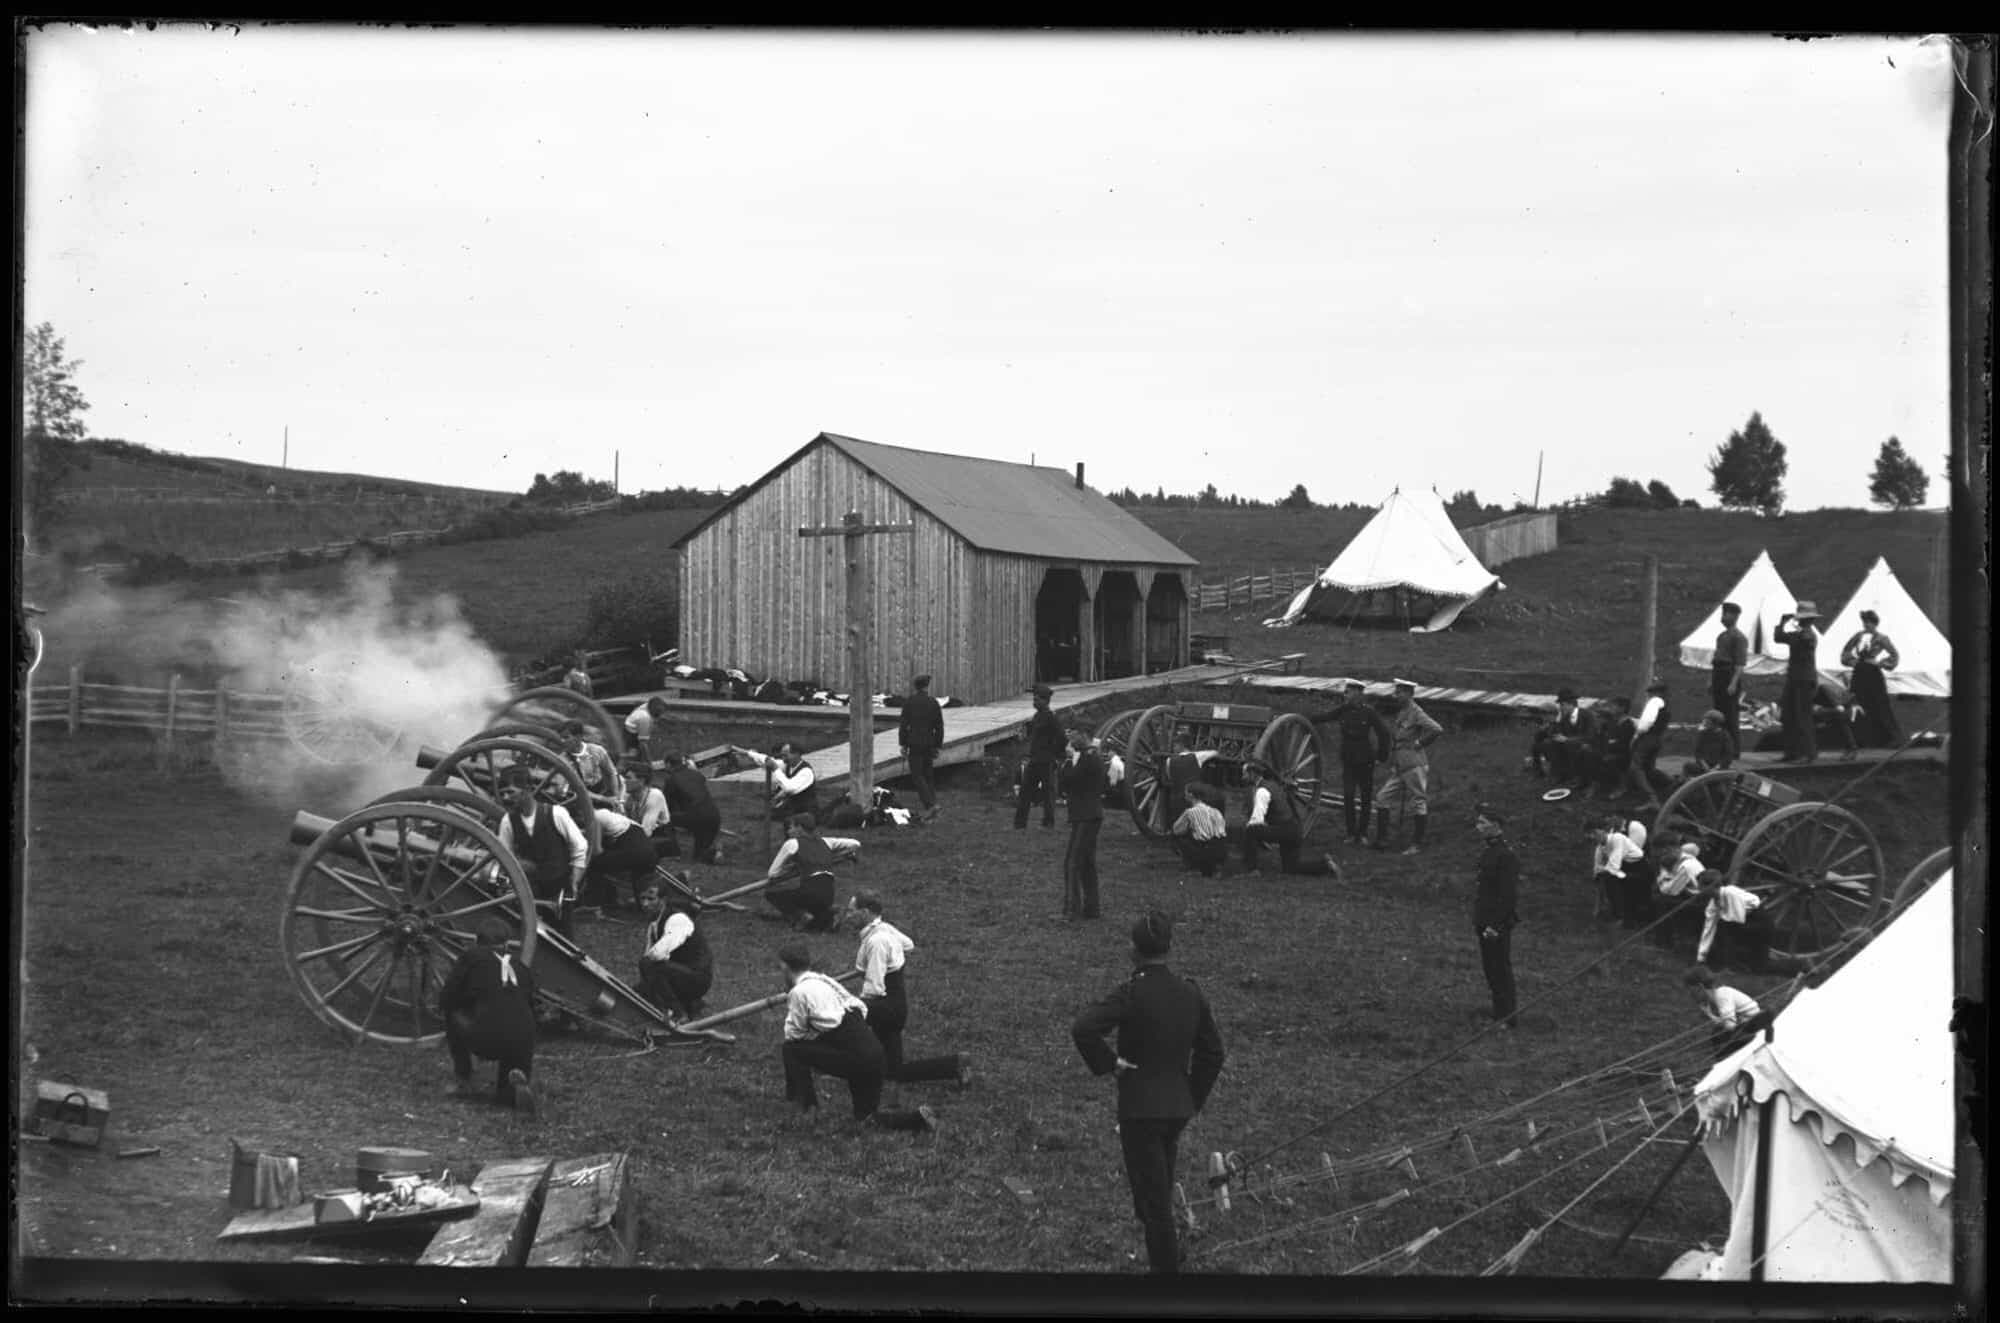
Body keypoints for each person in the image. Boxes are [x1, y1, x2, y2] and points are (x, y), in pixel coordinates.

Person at [1070, 911, 1226, 1276]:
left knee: (1154, 1203)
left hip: (1140, 1110)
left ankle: (1166, 1272)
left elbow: (1084, 1028)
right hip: (1177, 1106)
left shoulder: (1132, 992)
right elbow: (1213, 1052)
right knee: (1156, 1184)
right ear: (1169, 949)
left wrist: (1110, 1063)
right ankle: (1169, 1248)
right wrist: (1192, 1096)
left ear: (1133, 952)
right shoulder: (1190, 992)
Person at [778, 945, 936, 1133]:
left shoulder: (799, 992)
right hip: (875, 1056)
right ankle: (916, 1119)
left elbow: (793, 1036)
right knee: (865, 1118)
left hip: (856, 1058)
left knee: (791, 1050)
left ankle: (806, 1108)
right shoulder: (825, 981)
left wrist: (794, 1001)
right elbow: (860, 1008)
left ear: (786, 968)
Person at [848, 890, 968, 1085]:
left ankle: (830, 1060)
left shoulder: (877, 941)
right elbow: (908, 944)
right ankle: (955, 1065)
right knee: (893, 1072)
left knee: (844, 1014)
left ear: (866, 912)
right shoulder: (884, 929)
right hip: (896, 1006)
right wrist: (889, 960)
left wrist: (856, 1006)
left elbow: (874, 989)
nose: (847, 916)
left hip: (886, 1009)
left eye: (851, 911)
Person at [438, 916, 541, 1116]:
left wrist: (466, 1004)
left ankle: (463, 1076)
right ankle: (512, 1085)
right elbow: (531, 1002)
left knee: (452, 1014)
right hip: (524, 1039)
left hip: (487, 1036)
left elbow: (447, 997)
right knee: (514, 1028)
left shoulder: (472, 957)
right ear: (507, 943)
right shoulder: (521, 966)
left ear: (477, 941)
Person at [493, 765, 590, 938]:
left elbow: (580, 846)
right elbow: (504, 855)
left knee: (564, 935)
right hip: (532, 886)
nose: (505, 798)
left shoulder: (557, 814)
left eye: (510, 792)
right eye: (503, 793)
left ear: (528, 789)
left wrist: (574, 881)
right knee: (527, 931)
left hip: (559, 885)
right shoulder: (508, 821)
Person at [1372, 679, 1443, 853]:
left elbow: (1436, 729)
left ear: (1410, 694)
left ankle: (1416, 844)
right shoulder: (1403, 711)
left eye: (1400, 692)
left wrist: (1420, 743)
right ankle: (1382, 840)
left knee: (1418, 802)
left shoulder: (1417, 712)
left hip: (1414, 765)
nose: (1396, 696)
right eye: (1396, 692)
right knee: (1382, 798)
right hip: (1401, 766)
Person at [762, 813, 860, 932]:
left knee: (772, 894)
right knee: (816, 926)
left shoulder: (792, 843)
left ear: (800, 828)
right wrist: (834, 855)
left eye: (791, 827)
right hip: (829, 893)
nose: (789, 831)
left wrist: (790, 868)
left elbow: (772, 874)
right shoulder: (827, 842)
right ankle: (829, 915)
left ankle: (800, 915)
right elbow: (855, 844)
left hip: (810, 889)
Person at [1242, 763, 1339, 876]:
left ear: (1253, 774)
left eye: (1245, 774)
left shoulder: (1262, 791)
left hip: (1284, 830)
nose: (1243, 777)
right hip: (1294, 830)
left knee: (1251, 830)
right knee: (1291, 868)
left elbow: (1256, 820)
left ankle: (1252, 870)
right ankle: (1325, 865)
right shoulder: (1274, 785)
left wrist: (1249, 831)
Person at [1472, 807, 1521, 1029]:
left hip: (1496, 922)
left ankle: (1507, 1017)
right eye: (1478, 823)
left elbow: (1507, 895)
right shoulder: (1488, 852)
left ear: (1496, 826)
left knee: (1500, 968)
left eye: (1483, 823)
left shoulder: (1505, 855)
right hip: (1484, 918)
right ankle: (1497, 1012)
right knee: (1490, 968)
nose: (1478, 827)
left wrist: (1496, 924)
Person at [635, 886, 713, 1021]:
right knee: (638, 992)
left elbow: (656, 955)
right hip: (679, 972)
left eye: (651, 899)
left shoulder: (677, 919)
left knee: (649, 965)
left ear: (663, 900)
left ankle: (678, 1012)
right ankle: (690, 1005)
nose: (645, 904)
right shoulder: (654, 925)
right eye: (642, 899)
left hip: (697, 979)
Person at [1330, 681, 1393, 843]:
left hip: (1366, 760)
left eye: (1348, 692)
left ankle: (1363, 833)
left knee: (1366, 797)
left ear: (1358, 693)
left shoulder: (1369, 712)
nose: (1345, 695)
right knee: (1348, 796)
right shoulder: (1343, 710)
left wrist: (1381, 757)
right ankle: (1351, 833)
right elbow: (1324, 717)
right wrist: (1301, 718)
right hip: (1348, 760)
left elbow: (1384, 734)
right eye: (1345, 692)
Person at [1059, 731, 1107, 921]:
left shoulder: (1087, 759)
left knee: (1072, 863)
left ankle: (1072, 911)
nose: (1069, 743)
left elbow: (1068, 780)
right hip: (1089, 815)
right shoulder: (1091, 758)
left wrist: (1069, 761)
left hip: (1085, 816)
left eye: (1072, 739)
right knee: (1086, 863)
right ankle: (1092, 909)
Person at [1839, 609, 1902, 746]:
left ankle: (1891, 738)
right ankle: (1862, 738)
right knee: (1859, 702)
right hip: (1859, 672)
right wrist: (1852, 661)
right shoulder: (1858, 636)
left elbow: (1894, 655)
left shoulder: (1881, 638)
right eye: (1864, 622)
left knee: (1880, 704)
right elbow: (1845, 651)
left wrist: (1882, 663)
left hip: (1873, 673)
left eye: (1869, 622)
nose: (1866, 625)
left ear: (1875, 623)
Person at [583, 804, 661, 912]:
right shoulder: (614, 817)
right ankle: (642, 907)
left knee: (595, 863)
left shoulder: (596, 816)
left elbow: (596, 851)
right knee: (638, 878)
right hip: (649, 852)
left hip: (635, 851)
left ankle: (595, 904)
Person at [1772, 602, 1824, 762]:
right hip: (1794, 679)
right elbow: (1778, 637)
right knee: (1788, 716)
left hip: (1804, 680)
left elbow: (1803, 640)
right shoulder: (1799, 634)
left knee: (1803, 717)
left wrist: (1791, 626)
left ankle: (1809, 753)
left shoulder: (1808, 635)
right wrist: (1781, 623)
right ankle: (1792, 752)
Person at [1684, 964, 1764, 1059]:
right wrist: (1709, 1014)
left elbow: (1730, 1025)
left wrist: (1716, 1020)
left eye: (1691, 990)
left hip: (1756, 1028)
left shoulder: (1721, 995)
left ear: (1700, 987)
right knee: (1718, 1034)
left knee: (1719, 1036)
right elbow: (1728, 1021)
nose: (1690, 994)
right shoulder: (1720, 994)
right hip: (1750, 1025)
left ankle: (1726, 1063)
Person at [1014, 684, 1067, 829]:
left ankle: (1048, 823)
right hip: (1035, 760)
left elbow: (1062, 738)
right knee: (1025, 791)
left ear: (1045, 701)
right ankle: (1020, 824)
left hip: (1046, 761)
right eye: (1033, 699)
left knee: (1048, 794)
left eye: (1037, 700)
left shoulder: (1051, 718)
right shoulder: (1037, 716)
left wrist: (1054, 755)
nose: (1034, 702)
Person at [897, 674, 946, 821]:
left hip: (914, 742)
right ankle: (933, 804)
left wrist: (903, 744)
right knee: (928, 775)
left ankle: (930, 804)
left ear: (915, 686)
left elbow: (904, 725)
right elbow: (939, 726)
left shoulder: (909, 702)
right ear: (927, 686)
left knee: (917, 775)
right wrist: (938, 745)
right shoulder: (933, 703)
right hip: (929, 742)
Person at [661, 751, 724, 864]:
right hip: (714, 816)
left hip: (694, 817)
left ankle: (673, 852)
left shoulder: (671, 780)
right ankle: (715, 853)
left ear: (668, 764)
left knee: (665, 818)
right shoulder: (697, 775)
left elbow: (666, 806)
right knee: (698, 856)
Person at [1530, 687, 1596, 788]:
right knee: (1549, 744)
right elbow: (1558, 732)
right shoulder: (1564, 717)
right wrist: (1551, 728)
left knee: (1571, 745)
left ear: (1571, 704)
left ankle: (1578, 777)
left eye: (1562, 705)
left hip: (1584, 744)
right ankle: (1559, 774)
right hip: (1569, 744)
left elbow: (1590, 736)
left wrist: (1568, 739)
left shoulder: (1587, 715)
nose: (1560, 708)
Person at [734, 741, 818, 819]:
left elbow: (789, 788)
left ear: (796, 754)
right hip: (792, 807)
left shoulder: (806, 772)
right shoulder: (788, 765)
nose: (783, 759)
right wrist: (746, 752)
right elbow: (767, 760)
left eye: (786, 755)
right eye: (782, 755)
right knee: (761, 814)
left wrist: (775, 769)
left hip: (805, 813)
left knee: (764, 815)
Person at [1626, 679, 1673, 808]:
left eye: (1651, 692)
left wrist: (1637, 733)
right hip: (1657, 738)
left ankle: (1651, 798)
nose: (1648, 695)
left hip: (1648, 739)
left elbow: (1647, 722)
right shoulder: (1665, 704)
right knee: (1648, 769)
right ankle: (1671, 785)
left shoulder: (1654, 702)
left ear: (1656, 692)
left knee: (1635, 767)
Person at [1590, 814, 1644, 926]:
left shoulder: (1617, 838)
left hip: (1639, 870)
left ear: (1603, 831)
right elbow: (1597, 871)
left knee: (1611, 877)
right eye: (1590, 835)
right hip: (1623, 868)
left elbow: (1613, 866)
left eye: (1594, 833)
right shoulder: (1600, 848)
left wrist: (1604, 869)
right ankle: (1616, 912)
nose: (1592, 837)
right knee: (1605, 877)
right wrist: (1597, 905)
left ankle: (1625, 916)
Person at [1169, 782, 1230, 878]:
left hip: (1204, 850)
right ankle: (1216, 866)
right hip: (1221, 850)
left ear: (1191, 795)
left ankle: (1193, 865)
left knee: (1175, 836)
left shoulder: (1190, 812)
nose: (1184, 795)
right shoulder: (1215, 811)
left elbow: (1176, 830)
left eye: (1185, 793)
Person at [1711, 601, 1750, 747]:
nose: (1723, 617)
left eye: (1726, 614)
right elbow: (1716, 659)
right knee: (1719, 711)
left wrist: (1733, 682)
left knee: (1730, 714)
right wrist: (1712, 680)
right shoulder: (1722, 636)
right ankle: (1721, 746)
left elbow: (1740, 664)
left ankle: (1733, 748)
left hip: (1729, 675)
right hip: (1719, 674)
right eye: (1723, 613)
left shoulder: (1739, 638)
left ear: (1734, 616)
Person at [1163, 734, 1222, 827]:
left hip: (1177, 799)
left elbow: (1170, 777)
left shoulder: (1169, 760)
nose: (1174, 747)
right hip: (1194, 799)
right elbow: (1215, 752)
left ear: (1181, 745)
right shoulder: (1197, 756)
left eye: (1175, 745)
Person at [622, 764, 676, 859]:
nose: (624, 781)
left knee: (630, 848)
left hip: (661, 835)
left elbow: (646, 832)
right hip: (640, 831)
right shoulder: (629, 796)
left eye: (628, 778)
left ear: (641, 781)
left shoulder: (654, 796)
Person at [558, 720, 620, 800]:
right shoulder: (562, 760)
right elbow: (564, 790)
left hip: (601, 792)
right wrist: (602, 798)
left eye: (566, 737)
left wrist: (615, 796)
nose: (562, 741)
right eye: (561, 737)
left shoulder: (597, 751)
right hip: (579, 799)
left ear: (578, 737)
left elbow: (611, 773)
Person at [1590, 697, 1637, 800]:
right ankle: (1597, 784)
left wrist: (1611, 743)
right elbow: (1608, 738)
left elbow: (1624, 745)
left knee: (1607, 759)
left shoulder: (1628, 724)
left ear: (1623, 708)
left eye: (1614, 706)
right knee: (1592, 754)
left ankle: (1622, 787)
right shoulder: (1614, 722)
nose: (1611, 708)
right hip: (1611, 751)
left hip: (1623, 755)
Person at [1810, 674, 1862, 760]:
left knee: (1840, 719)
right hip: (1842, 708)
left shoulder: (1824, 689)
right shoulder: (1817, 692)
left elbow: (1839, 708)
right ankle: (1851, 748)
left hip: (1846, 708)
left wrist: (1821, 711)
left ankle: (1851, 749)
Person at [624, 696, 672, 785]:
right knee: (635, 753)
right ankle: (628, 770)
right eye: (660, 714)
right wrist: (649, 761)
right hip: (631, 732)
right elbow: (643, 743)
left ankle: (637, 765)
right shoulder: (645, 718)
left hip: (633, 723)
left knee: (639, 753)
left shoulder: (648, 705)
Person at [1682, 709, 1738, 778]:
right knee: (1687, 766)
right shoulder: (1702, 734)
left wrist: (1717, 768)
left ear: (1715, 723)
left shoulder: (1725, 736)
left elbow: (1728, 755)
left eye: (1707, 721)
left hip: (1719, 768)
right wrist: (1704, 765)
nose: (1704, 723)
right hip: (1704, 766)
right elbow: (1698, 752)